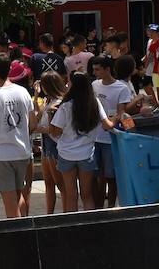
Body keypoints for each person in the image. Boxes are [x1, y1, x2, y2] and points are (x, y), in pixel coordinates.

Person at [0, 55, 36, 218]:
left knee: (10, 204)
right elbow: (32, 124)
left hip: (1, 155)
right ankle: (26, 228)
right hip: (22, 151)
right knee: (19, 197)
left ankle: (18, 233)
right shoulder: (23, 92)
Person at [48, 71, 109, 212]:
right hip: (87, 154)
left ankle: (72, 224)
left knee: (71, 195)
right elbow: (107, 125)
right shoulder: (94, 102)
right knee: (87, 195)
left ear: (73, 85)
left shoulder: (65, 106)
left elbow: (55, 132)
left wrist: (50, 114)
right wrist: (118, 117)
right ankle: (89, 223)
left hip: (66, 154)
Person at [89, 54, 132, 208]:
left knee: (111, 177)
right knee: (96, 176)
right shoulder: (94, 85)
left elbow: (122, 113)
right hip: (94, 138)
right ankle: (98, 208)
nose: (94, 72)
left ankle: (112, 207)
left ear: (108, 69)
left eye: (98, 69)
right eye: (94, 69)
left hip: (111, 139)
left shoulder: (122, 88)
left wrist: (110, 123)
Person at [35, 71, 67, 214]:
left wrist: (41, 129)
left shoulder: (59, 102)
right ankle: (49, 214)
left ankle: (67, 212)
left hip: (54, 143)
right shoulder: (48, 100)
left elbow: (57, 129)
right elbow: (37, 116)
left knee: (61, 184)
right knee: (48, 182)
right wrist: (36, 97)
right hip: (46, 142)